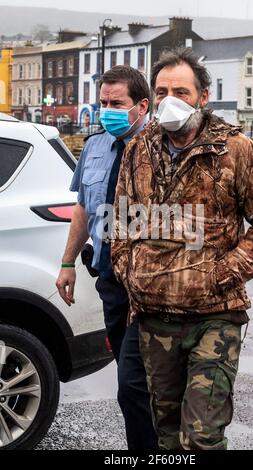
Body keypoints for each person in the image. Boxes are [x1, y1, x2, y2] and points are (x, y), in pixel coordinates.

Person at [111, 49, 253, 450]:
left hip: (215, 318)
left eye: (181, 90)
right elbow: (120, 224)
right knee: (168, 436)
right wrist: (132, 273)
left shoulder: (236, 151)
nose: (169, 99)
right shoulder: (138, 150)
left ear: (203, 97)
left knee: (202, 438)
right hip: (155, 318)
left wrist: (220, 275)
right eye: (161, 90)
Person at [56, 66, 158, 451]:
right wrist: (67, 263)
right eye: (103, 103)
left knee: (134, 385)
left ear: (142, 106)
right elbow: (83, 207)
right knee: (135, 382)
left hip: (149, 286)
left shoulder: (160, 149)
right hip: (110, 283)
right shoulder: (95, 146)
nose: (107, 110)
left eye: (117, 103)